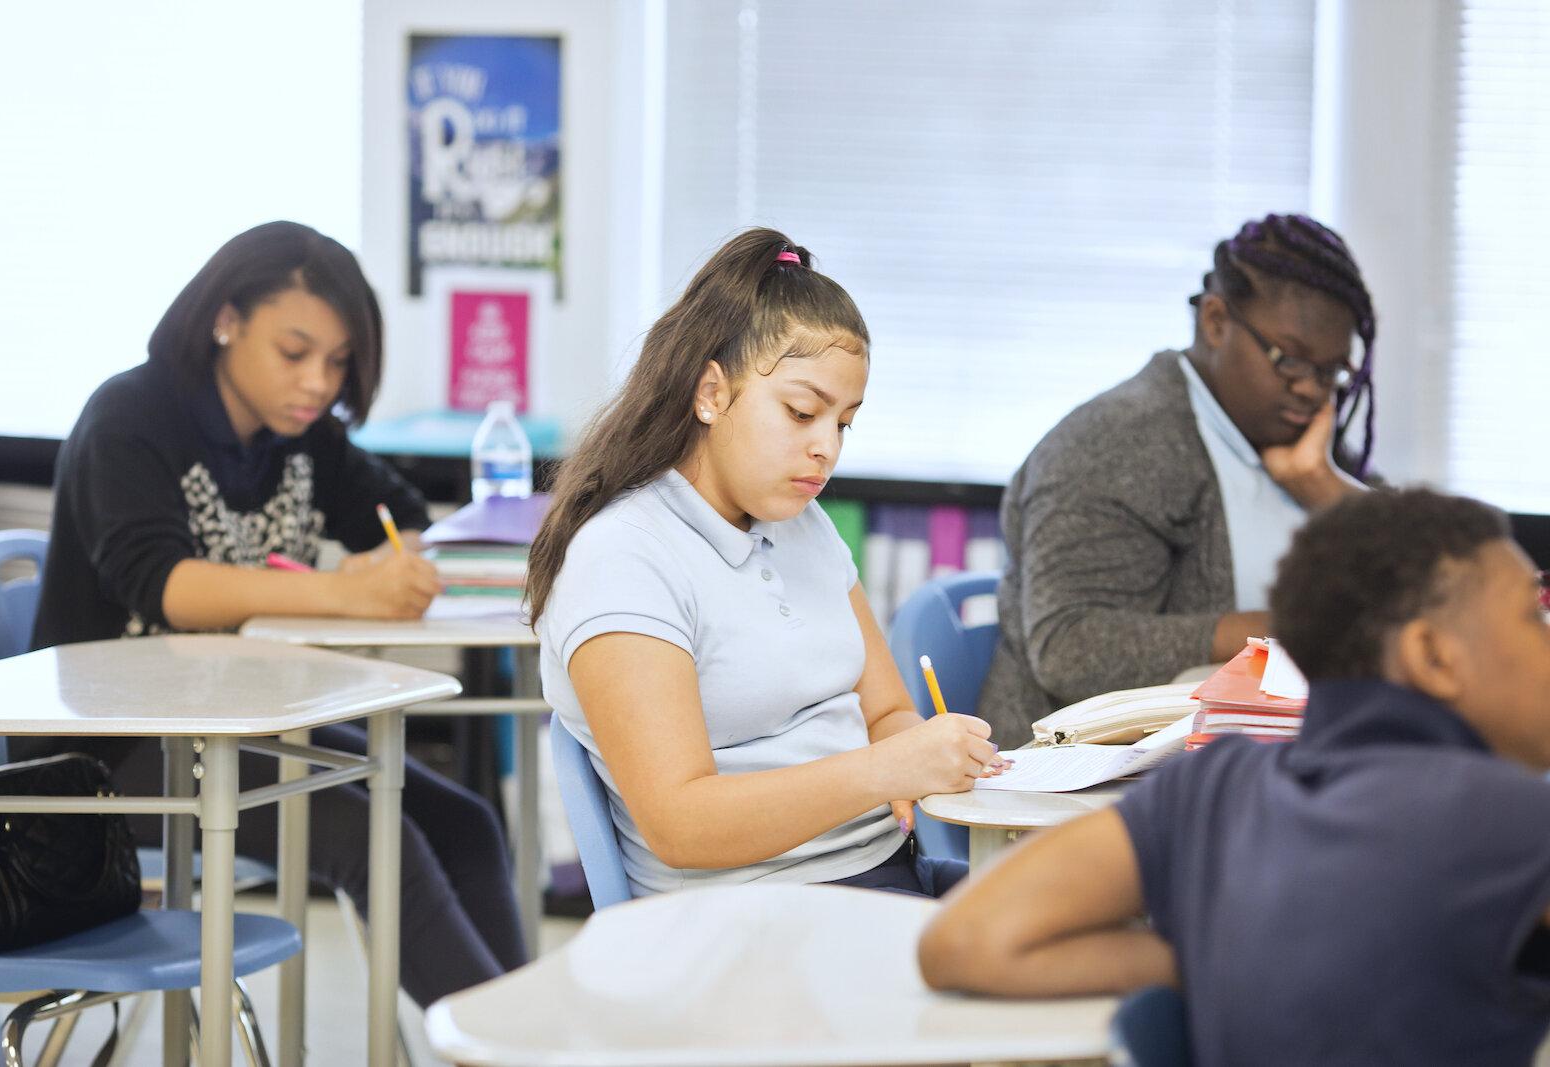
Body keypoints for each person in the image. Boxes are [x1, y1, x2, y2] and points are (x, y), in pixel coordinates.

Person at [26, 221, 524, 1006]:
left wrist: (388, 563)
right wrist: (342, 590)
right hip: (110, 747)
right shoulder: (128, 416)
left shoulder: (302, 438)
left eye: (339, 361)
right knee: (375, 836)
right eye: (295, 353)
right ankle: (503, 1048)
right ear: (226, 320)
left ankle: (523, 1028)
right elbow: (165, 587)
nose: (318, 383)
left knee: (464, 823)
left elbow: (399, 516)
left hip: (236, 721)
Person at [920, 488, 1550, 1066]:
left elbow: (965, 939)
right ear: (1432, 656)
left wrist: (1225, 952)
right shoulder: (1510, 820)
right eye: (1534, 616)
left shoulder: (1212, 787)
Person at [528, 228, 1005, 899]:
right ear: (711, 393)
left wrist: (924, 755)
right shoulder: (623, 557)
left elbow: (888, 712)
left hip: (879, 874)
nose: (826, 448)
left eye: (843, 423)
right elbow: (681, 824)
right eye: (802, 412)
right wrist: (884, 771)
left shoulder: (805, 527)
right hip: (744, 911)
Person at [979, 213, 1377, 741]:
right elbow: (1070, 648)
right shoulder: (1118, 443)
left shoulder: (1299, 435)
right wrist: (1281, 631)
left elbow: (1432, 576)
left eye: (1330, 371)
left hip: (1252, 752)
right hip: (1084, 770)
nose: (1311, 389)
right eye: (1290, 360)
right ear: (1216, 321)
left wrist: (1324, 487)